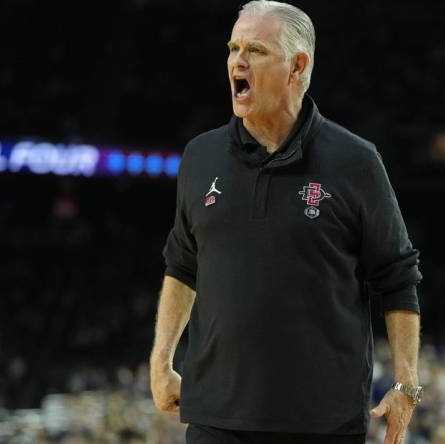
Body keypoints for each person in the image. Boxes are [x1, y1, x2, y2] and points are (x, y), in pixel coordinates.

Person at [149, 1, 423, 443]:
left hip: (322, 423)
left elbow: (398, 277)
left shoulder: (356, 161)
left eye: (255, 50)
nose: (238, 60)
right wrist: (161, 361)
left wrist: (405, 385)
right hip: (215, 418)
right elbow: (182, 264)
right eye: (233, 47)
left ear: (298, 67)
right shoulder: (200, 156)